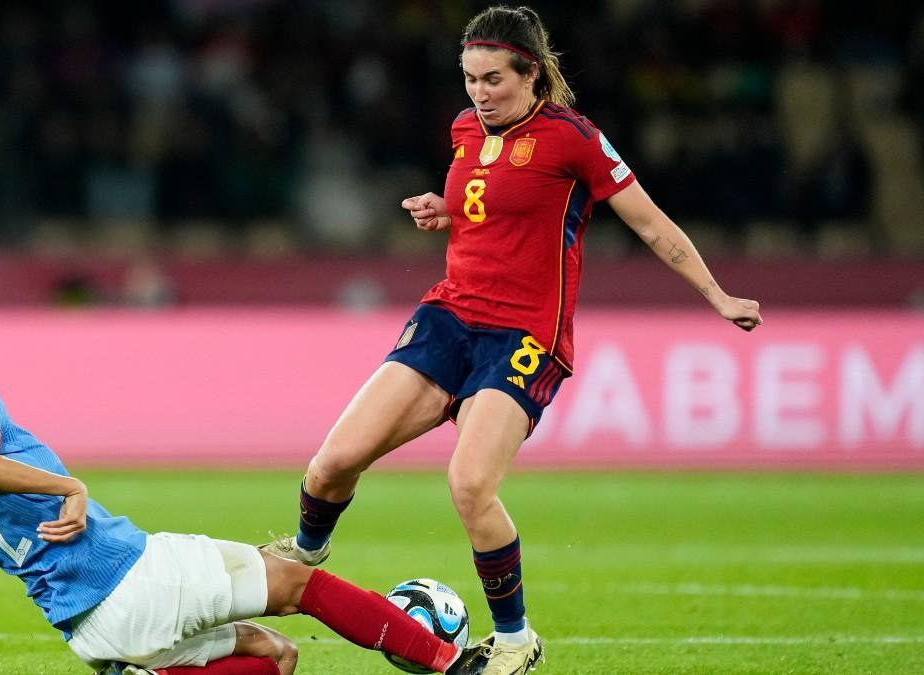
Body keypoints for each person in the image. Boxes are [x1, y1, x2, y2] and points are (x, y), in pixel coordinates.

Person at [260, 6, 764, 675]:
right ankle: (304, 555)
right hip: (448, 318)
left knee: (469, 483)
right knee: (329, 465)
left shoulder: (573, 139)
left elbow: (652, 224)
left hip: (524, 335)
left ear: (530, 74)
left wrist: (718, 294)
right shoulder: (465, 130)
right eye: (469, 78)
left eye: (493, 78)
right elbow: (484, 207)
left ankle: (516, 639)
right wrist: (445, 212)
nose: (479, 93)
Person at [0, 314, 493, 675]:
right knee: (300, 584)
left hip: (92, 633)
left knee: (278, 657)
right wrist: (69, 484)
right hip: (135, 574)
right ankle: (448, 662)